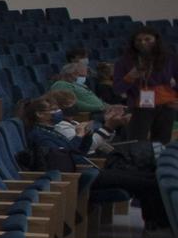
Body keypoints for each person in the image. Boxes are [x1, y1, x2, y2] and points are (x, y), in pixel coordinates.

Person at [20, 96, 166, 229]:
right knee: (148, 182)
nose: (58, 112)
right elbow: (62, 156)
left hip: (87, 169)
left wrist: (87, 135)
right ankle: (160, 222)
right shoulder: (39, 135)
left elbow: (79, 152)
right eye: (53, 110)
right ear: (39, 114)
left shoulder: (52, 130)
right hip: (76, 176)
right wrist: (78, 136)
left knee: (148, 176)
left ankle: (155, 221)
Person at [116, 26, 175, 143]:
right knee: (136, 141)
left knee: (162, 141)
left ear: (156, 40)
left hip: (166, 105)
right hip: (139, 106)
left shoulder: (170, 59)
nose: (143, 42)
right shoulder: (123, 62)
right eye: (138, 40)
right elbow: (117, 89)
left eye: (147, 39)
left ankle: (158, 161)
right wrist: (130, 77)